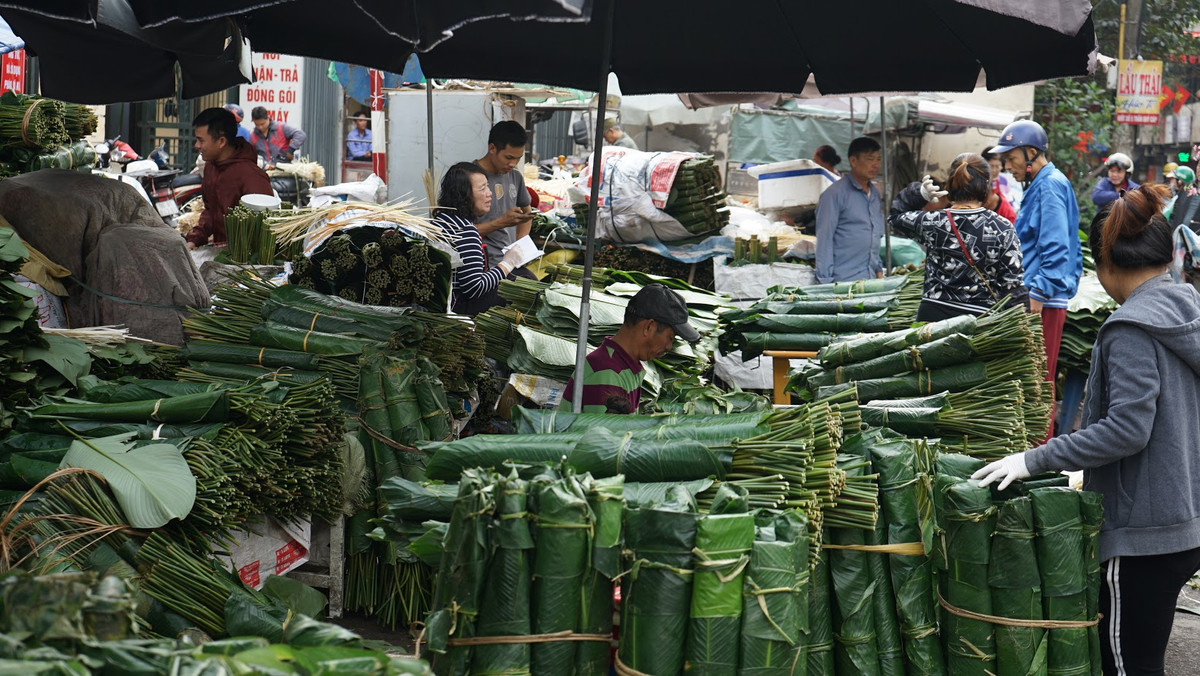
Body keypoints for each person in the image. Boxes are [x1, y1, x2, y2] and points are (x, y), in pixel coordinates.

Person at [973, 184, 1200, 676]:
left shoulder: (1130, 328)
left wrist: (1033, 459)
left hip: (1141, 535)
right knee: (1145, 656)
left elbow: (1127, 430)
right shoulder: (1188, 308)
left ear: (1105, 263)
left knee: (1126, 664)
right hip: (1184, 521)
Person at [990, 119, 1082, 435]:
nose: (1007, 166)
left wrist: (1038, 293)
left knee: (1037, 381)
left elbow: (1056, 246)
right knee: (1034, 378)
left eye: (1011, 158)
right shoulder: (1043, 183)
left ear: (1031, 152)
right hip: (1038, 296)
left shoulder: (1049, 185)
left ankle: (1040, 453)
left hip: (1042, 300)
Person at [888, 153, 1027, 321]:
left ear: (950, 184)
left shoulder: (934, 221)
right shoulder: (1002, 228)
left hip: (932, 318)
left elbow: (895, 217)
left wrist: (919, 193)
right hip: (980, 322)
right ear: (986, 185)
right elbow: (1013, 286)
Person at [561, 283, 700, 414]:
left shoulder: (623, 366)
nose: (669, 346)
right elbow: (604, 431)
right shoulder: (608, 374)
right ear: (649, 327)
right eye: (670, 338)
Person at [433, 162, 526, 315]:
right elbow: (474, 288)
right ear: (464, 195)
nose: (490, 193)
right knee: (521, 279)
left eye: (488, 186)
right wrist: (507, 264)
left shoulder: (441, 220)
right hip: (458, 307)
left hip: (442, 302)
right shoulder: (464, 230)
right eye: (482, 189)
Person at [184, 108, 272, 249]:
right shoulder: (210, 167)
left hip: (243, 258)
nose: (197, 145)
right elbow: (211, 211)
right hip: (221, 253)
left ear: (221, 141)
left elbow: (262, 228)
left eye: (201, 140)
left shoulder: (252, 176)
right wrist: (194, 239)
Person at [814, 136, 885, 283]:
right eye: (870, 159)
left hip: (870, 281)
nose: (876, 165)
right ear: (853, 161)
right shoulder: (834, 194)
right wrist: (825, 282)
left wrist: (878, 271)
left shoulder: (874, 195)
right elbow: (824, 240)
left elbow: (874, 237)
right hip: (843, 283)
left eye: (878, 159)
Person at [475, 121, 534, 269]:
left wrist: (519, 246)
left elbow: (527, 214)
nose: (513, 164)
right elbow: (460, 232)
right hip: (483, 265)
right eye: (508, 157)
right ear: (492, 148)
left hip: (510, 263)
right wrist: (502, 222)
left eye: (518, 159)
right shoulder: (469, 177)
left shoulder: (515, 177)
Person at [980, 148, 1018, 222]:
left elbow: (1010, 203)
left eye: (997, 166)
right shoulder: (981, 181)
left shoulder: (1004, 181)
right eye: (991, 166)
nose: (994, 170)